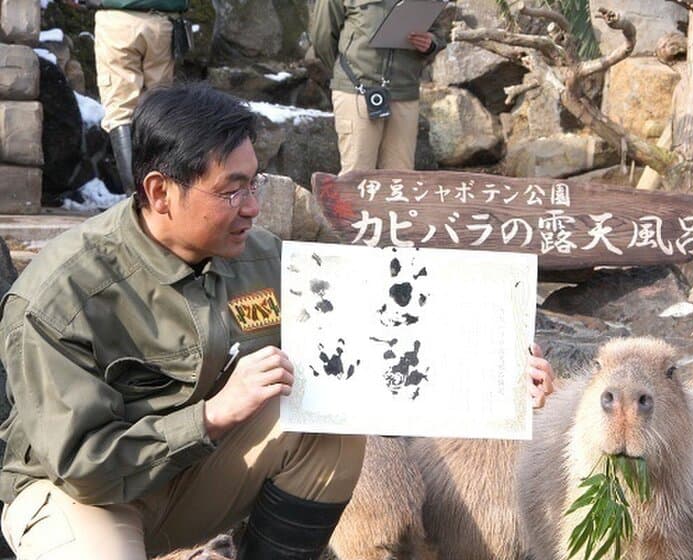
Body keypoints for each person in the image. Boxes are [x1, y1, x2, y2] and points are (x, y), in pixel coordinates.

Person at [0, 82, 555, 559]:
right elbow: (83, 464)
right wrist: (213, 416)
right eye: (230, 189)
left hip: (186, 479)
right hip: (80, 493)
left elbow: (388, 341)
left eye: (254, 183)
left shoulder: (268, 260)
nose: (251, 206)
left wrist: (498, 375)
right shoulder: (62, 295)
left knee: (326, 431)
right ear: (159, 192)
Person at [310, 0, 447, 174]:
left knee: (400, 179)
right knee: (357, 176)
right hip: (357, 90)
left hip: (405, 92)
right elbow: (322, 37)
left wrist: (430, 44)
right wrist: (345, 73)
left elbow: (437, 31)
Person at [91, 0, 188, 193]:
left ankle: (135, 196)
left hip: (118, 19)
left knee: (120, 110)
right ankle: (162, 193)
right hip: (162, 21)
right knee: (159, 107)